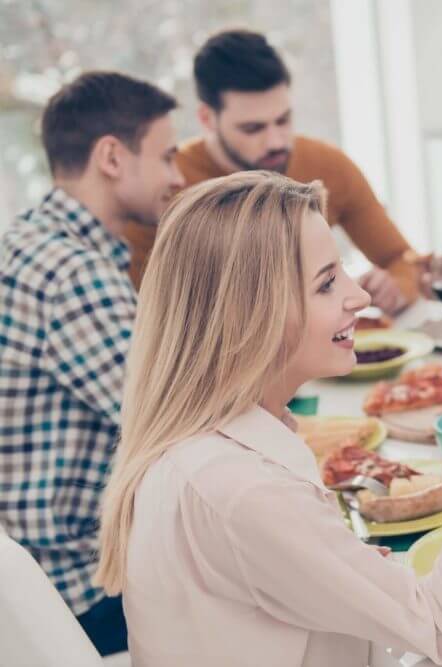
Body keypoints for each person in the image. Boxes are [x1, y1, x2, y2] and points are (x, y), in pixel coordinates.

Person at [95, 172, 442, 666]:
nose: (359, 296)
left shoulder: (202, 448)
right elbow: (441, 625)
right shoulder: (243, 491)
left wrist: (341, 565)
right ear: (251, 312)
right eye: (327, 282)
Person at [0, 71, 184, 655]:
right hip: (84, 591)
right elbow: (177, 427)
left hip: (28, 587)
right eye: (167, 157)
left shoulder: (25, 241)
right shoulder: (76, 275)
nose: (178, 178)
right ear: (111, 156)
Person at [121, 29, 419, 314]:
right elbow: (145, 312)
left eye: (283, 120)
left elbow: (402, 260)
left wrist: (396, 286)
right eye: (253, 128)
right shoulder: (165, 187)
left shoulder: (328, 165)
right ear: (207, 119)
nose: (276, 141)